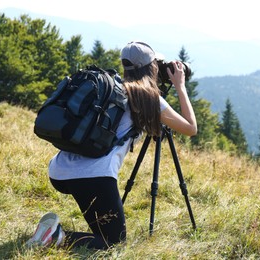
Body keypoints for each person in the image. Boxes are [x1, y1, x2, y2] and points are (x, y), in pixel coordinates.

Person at [26, 41, 197, 250]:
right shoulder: (149, 99)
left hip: (59, 172)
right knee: (114, 243)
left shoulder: (112, 88)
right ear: (151, 67)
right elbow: (191, 128)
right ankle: (55, 236)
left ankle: (54, 231)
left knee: (105, 229)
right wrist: (180, 86)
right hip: (92, 177)